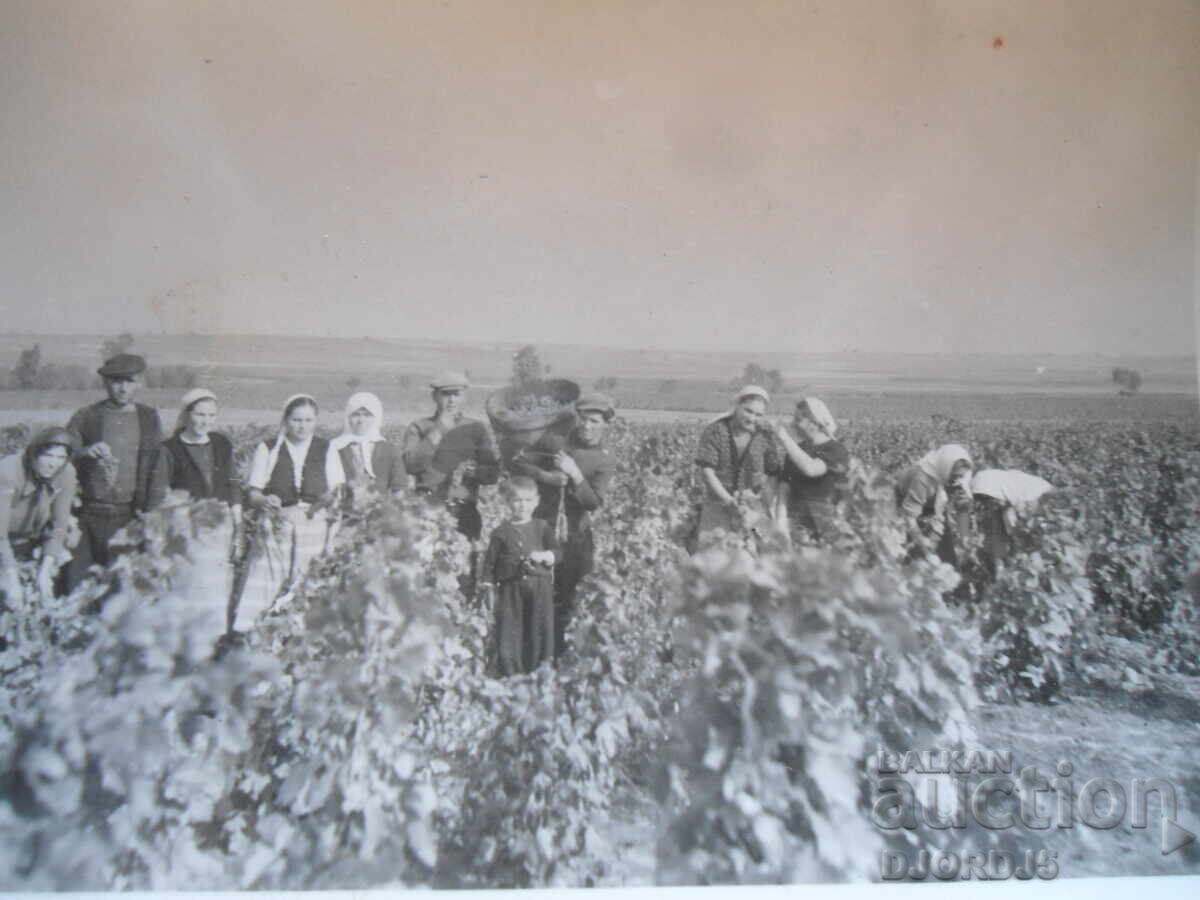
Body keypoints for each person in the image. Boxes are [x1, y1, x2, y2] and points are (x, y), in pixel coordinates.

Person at [510, 392, 616, 657]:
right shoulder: (555, 443)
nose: (587, 426)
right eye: (583, 419)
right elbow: (518, 464)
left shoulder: (604, 460)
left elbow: (593, 502)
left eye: (594, 421)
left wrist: (575, 474)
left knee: (570, 599)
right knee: (536, 593)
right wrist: (545, 475)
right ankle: (533, 654)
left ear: (605, 424)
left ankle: (562, 657)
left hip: (576, 539)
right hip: (543, 533)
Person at [232, 394, 345, 631]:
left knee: (308, 585)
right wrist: (266, 500)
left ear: (315, 421)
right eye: (296, 420)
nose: (302, 426)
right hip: (277, 527)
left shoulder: (327, 448)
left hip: (315, 528)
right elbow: (253, 494)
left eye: (308, 420)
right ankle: (249, 636)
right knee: (266, 585)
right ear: (286, 420)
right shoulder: (269, 448)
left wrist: (327, 512)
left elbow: (337, 492)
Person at [65, 353, 163, 589]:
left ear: (139, 383)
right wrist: (86, 451)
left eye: (129, 381)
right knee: (79, 585)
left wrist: (150, 513)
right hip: (89, 515)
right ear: (105, 383)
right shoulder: (87, 416)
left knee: (122, 588)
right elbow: (62, 453)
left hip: (129, 515)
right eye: (116, 381)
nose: (122, 388)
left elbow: (156, 468)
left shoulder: (149, 418)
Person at [402, 371, 501, 542]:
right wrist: (438, 429)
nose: (451, 400)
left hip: (464, 511)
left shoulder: (477, 428)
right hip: (428, 510)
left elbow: (492, 475)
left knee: (465, 564)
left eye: (457, 394)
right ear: (435, 396)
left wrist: (476, 471)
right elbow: (411, 465)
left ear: (465, 397)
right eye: (445, 394)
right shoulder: (419, 427)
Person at [479, 476, 561, 676]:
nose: (522, 506)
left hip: (539, 586)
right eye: (517, 500)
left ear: (536, 502)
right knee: (510, 629)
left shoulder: (542, 528)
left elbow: (558, 552)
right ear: (507, 502)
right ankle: (511, 673)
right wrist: (488, 586)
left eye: (527, 501)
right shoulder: (500, 533)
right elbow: (490, 564)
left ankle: (539, 671)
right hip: (510, 588)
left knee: (539, 628)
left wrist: (546, 556)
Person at [693, 385, 781, 550]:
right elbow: (707, 472)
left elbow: (774, 471)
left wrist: (763, 500)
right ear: (737, 406)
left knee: (752, 558)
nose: (752, 418)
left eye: (758, 414)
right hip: (718, 505)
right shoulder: (715, 431)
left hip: (751, 507)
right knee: (713, 559)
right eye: (748, 411)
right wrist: (729, 501)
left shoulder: (765, 434)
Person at [0, 427, 80, 600]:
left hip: (29, 539)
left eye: (61, 457)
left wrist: (44, 573)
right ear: (34, 454)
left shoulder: (66, 472)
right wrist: (11, 578)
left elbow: (59, 525)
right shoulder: (8, 471)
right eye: (48, 456)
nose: (54, 463)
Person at [771, 397, 850, 545]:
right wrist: (781, 525)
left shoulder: (836, 450)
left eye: (798, 420)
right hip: (797, 529)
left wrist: (784, 437)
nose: (794, 425)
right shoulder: (796, 451)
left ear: (815, 421)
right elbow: (784, 490)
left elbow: (811, 469)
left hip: (827, 529)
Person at [148, 388, 240, 507]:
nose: (206, 422)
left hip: (220, 517)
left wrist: (237, 513)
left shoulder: (222, 444)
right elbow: (158, 494)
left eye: (211, 415)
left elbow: (233, 484)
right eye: (200, 415)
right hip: (184, 520)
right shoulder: (169, 449)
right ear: (186, 415)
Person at [895, 443, 973, 565]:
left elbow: (962, 507)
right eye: (955, 476)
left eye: (961, 476)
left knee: (946, 554)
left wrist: (964, 537)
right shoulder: (923, 478)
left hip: (935, 505)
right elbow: (909, 516)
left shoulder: (962, 477)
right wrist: (921, 540)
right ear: (946, 470)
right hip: (907, 503)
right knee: (916, 554)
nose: (958, 480)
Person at [970, 468, 1055, 579]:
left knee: (1026, 542)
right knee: (1001, 536)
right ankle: (1004, 571)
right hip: (1000, 496)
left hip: (1023, 503)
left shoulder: (1031, 494)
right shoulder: (1003, 497)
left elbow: (1023, 519)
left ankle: (1034, 571)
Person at [329, 392, 407, 506]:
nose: (361, 420)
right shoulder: (334, 447)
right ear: (347, 416)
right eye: (356, 414)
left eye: (367, 415)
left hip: (380, 514)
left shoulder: (389, 450)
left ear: (376, 417)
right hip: (342, 511)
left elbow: (399, 490)